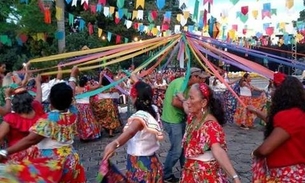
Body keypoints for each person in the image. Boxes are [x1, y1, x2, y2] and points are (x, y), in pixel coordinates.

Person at [0, 66, 86, 182]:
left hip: (53, 163)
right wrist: (73, 75)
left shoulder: (48, 120)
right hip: (71, 160)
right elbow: (70, 89)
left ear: (50, 100)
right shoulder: (73, 111)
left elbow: (30, 140)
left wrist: (6, 151)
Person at [101, 78, 164, 182]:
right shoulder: (154, 110)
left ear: (134, 97)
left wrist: (115, 143)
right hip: (152, 160)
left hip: (140, 162)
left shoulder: (140, 116)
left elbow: (131, 131)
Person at [176, 83, 241, 183]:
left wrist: (235, 177)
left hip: (204, 175)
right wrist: (182, 98)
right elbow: (185, 106)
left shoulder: (210, 125)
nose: (188, 101)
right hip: (190, 172)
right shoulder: (193, 116)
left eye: (191, 98)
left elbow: (218, 151)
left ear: (203, 102)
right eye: (188, 97)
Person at [251, 74, 305, 182]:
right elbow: (277, 126)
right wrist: (256, 111)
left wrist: (254, 153)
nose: (272, 92)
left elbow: (264, 149)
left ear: (283, 93)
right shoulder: (299, 113)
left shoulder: (289, 115)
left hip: (286, 175)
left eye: (275, 89)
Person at [161, 67, 210, 182]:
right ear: (193, 76)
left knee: (184, 148)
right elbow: (175, 102)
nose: (201, 81)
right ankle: (166, 175)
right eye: (199, 78)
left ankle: (186, 170)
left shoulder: (189, 86)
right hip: (172, 120)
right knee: (177, 150)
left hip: (179, 119)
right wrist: (190, 107)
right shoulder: (180, 84)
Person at [0, 75, 43, 162]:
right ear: (30, 100)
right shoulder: (37, 107)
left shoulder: (10, 119)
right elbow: (39, 96)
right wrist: (38, 83)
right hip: (39, 154)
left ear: (14, 104)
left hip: (16, 157)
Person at [75, 73, 103, 141]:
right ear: (85, 82)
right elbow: (98, 85)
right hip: (86, 106)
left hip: (78, 106)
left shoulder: (75, 88)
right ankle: (92, 135)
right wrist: (101, 77)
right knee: (90, 120)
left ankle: (83, 136)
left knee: (81, 121)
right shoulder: (87, 88)